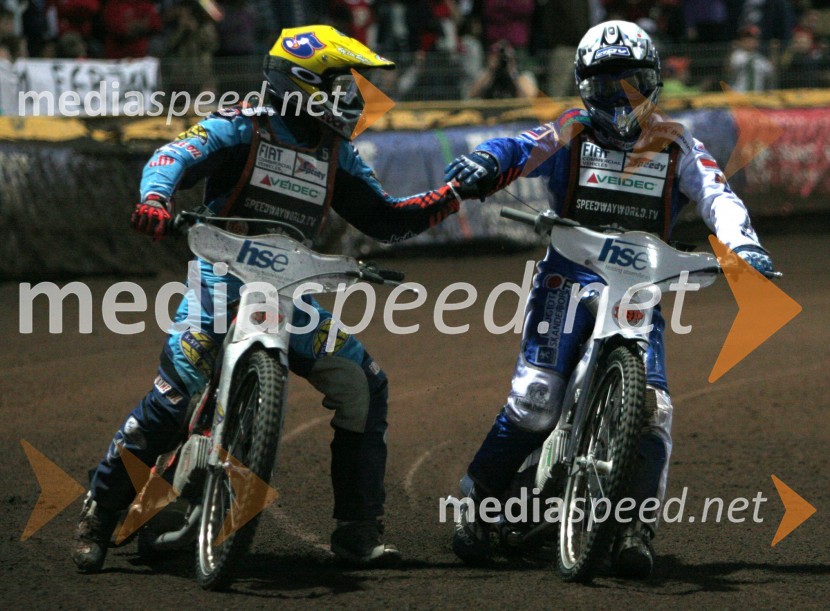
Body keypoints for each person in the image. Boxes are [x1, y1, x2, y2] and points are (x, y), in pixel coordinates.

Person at [73, 25, 469, 573]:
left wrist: (450, 197)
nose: (353, 95)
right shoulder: (243, 126)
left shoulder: (338, 153)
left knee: (364, 384)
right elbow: (172, 157)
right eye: (341, 82)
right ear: (302, 82)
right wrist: (156, 200)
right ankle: (99, 511)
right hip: (223, 277)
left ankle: (358, 530)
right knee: (173, 399)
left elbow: (387, 219)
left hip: (292, 291)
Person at [445, 20, 774, 578]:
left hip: (640, 286)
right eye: (605, 84)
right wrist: (488, 162)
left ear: (653, 84)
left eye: (632, 82)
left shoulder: (676, 143)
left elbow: (719, 195)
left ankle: (633, 527)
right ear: (583, 86)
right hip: (567, 278)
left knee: (654, 410)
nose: (619, 97)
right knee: (535, 400)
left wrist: (744, 247)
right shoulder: (571, 131)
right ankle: (476, 502)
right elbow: (522, 146)